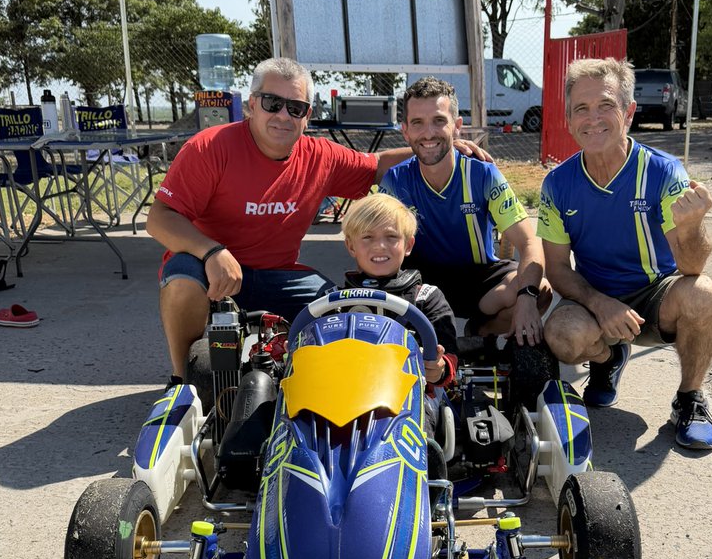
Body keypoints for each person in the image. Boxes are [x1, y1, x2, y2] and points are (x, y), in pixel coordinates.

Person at [146, 58, 490, 383]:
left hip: (278, 275)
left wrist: (443, 145)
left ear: (307, 116)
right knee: (181, 280)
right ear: (252, 104)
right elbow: (159, 218)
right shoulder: (210, 147)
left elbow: (378, 163)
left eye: (295, 108)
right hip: (212, 270)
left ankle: (319, 386)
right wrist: (211, 252)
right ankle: (183, 382)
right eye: (271, 103)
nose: (283, 115)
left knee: (341, 306)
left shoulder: (319, 156)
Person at [538, 57, 712, 450]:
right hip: (594, 296)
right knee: (560, 334)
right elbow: (556, 268)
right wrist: (600, 304)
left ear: (629, 112)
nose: (593, 119)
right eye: (581, 109)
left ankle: (690, 399)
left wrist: (691, 227)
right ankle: (607, 360)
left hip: (656, 296)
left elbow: (691, 266)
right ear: (569, 119)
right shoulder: (557, 183)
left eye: (606, 105)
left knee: (703, 293)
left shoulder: (663, 171)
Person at [377, 77, 550, 348]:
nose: (429, 133)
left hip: (477, 280)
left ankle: (481, 331)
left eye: (438, 121)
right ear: (405, 131)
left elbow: (529, 242)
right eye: (418, 123)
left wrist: (526, 298)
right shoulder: (395, 180)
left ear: (457, 127)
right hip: (419, 283)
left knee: (538, 290)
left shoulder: (482, 174)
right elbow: (375, 244)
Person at [341, 192, 458, 394]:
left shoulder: (426, 297)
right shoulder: (333, 300)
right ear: (351, 246)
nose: (379, 246)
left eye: (391, 237)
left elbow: (449, 354)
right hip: (345, 393)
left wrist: (439, 368)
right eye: (367, 237)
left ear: (408, 245)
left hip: (410, 395)